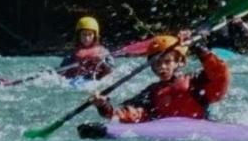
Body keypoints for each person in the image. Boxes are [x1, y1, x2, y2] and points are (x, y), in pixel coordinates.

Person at [91, 33, 230, 123]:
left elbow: (220, 76)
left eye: (167, 61)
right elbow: (126, 115)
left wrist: (199, 48)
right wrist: (103, 106)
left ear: (180, 62)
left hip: (201, 132)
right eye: (157, 63)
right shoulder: (151, 93)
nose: (161, 67)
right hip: (168, 139)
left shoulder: (195, 80)